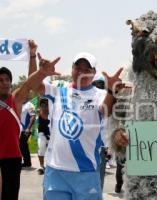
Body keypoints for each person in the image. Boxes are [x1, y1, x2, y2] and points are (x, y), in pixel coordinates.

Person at [28, 51, 124, 200]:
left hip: (86, 172)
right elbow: (33, 85)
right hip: (56, 171)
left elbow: (106, 111)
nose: (81, 73)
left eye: (87, 70)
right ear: (71, 68)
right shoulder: (58, 88)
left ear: (94, 74)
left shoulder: (99, 94)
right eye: (78, 68)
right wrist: (40, 73)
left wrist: (111, 91)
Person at [0, 40, 38, 200]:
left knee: (10, 196)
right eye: (0, 80)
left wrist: (32, 55)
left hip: (12, 158)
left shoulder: (15, 99)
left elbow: (31, 82)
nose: (5, 83)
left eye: (7, 79)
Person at [19, 100, 36, 168]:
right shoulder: (19, 104)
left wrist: (28, 128)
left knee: (22, 145)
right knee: (22, 146)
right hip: (19, 129)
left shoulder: (30, 105)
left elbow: (33, 116)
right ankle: (27, 162)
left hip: (26, 129)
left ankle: (27, 162)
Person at [37, 98, 50, 175]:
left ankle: (49, 166)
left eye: (46, 105)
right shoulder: (39, 112)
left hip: (51, 133)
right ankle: (42, 166)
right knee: (41, 147)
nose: (45, 107)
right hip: (42, 133)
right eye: (43, 105)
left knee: (51, 150)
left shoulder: (53, 112)